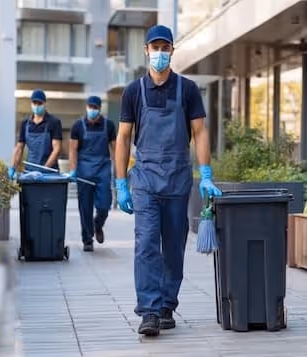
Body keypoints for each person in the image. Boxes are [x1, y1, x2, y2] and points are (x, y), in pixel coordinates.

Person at [114, 25, 222, 337]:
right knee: (146, 243)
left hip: (177, 181)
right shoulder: (133, 91)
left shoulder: (187, 89)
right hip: (145, 180)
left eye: (165, 47)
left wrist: (206, 174)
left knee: (173, 247)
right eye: (154, 47)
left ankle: (166, 305)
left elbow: (200, 132)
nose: (160, 53)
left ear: (172, 50)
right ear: (145, 51)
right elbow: (123, 138)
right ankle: (148, 310)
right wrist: (121, 183)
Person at [68, 96, 116, 252]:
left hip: (103, 169)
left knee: (105, 204)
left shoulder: (108, 125)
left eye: (95, 107)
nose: (92, 109)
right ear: (86, 107)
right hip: (84, 170)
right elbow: (73, 149)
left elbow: (115, 148)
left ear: (100, 109)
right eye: (90, 106)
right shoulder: (78, 126)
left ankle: (98, 223)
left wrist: (119, 171)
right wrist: (73, 169)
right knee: (85, 207)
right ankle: (87, 239)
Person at [8, 89, 63, 177]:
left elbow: (57, 149)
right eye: (34, 103)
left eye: (39, 103)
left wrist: (44, 169)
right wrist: (12, 167)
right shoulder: (25, 124)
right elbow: (19, 148)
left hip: (49, 174)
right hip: (29, 173)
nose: (37, 106)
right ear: (31, 104)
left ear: (45, 104)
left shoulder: (54, 122)